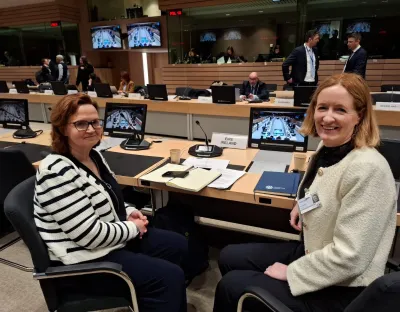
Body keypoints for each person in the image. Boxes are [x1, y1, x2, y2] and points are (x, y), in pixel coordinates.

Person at [213, 73, 397, 312]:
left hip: (343, 286)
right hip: (314, 249)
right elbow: (321, 186)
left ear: (359, 116)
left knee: (231, 285)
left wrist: (292, 272)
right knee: (229, 256)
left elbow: (350, 258)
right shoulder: (328, 146)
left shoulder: (368, 169)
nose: (327, 117)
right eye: (322, 107)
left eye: (340, 110)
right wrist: (303, 202)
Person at [34, 94, 188, 312]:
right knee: (168, 277)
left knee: (177, 244)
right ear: (62, 128)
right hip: (86, 260)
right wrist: (133, 228)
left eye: (95, 122)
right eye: (80, 123)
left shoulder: (94, 156)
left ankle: (155, 300)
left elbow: (110, 199)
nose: (91, 129)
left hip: (109, 241)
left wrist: (130, 212)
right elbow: (88, 236)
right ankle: (159, 294)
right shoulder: (56, 171)